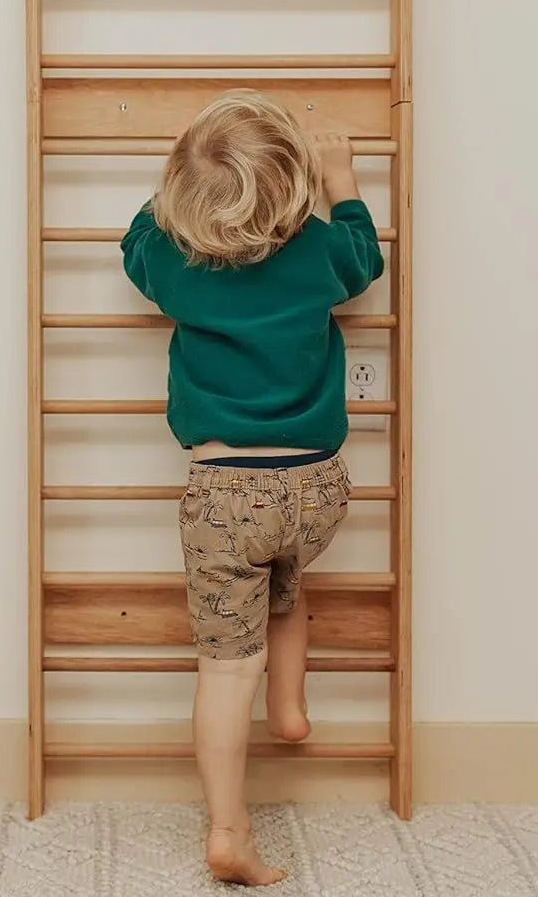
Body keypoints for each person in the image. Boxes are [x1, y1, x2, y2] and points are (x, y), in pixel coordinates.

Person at [120, 89, 385, 885]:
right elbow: (365, 258)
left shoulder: (176, 262)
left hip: (225, 495)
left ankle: (230, 830)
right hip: (318, 490)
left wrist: (176, 180)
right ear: (293, 188)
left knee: (226, 664)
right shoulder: (316, 252)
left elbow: (135, 241)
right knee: (287, 578)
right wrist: (342, 180)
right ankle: (292, 710)